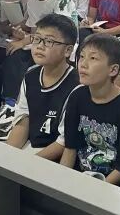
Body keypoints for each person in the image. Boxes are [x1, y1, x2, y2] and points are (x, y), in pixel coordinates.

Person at [0, 0, 77, 129]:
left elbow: (58, 33)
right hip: (40, 45)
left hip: (60, 48)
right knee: (13, 55)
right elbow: (34, 31)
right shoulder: (32, 2)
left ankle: (17, 110)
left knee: (20, 52)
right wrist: (20, 34)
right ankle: (10, 105)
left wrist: (23, 42)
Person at [60, 35, 120, 185]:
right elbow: (70, 149)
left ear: (113, 70)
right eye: (82, 56)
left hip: (110, 184)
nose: (83, 64)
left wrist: (96, 187)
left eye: (93, 58)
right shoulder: (77, 97)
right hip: (79, 177)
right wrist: (62, 183)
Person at [6, 15, 78, 150]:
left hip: (58, 154)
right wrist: (8, 154)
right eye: (37, 39)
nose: (40, 46)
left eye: (49, 41)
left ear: (68, 50)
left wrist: (32, 160)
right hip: (31, 148)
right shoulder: (30, 76)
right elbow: (23, 122)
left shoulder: (77, 85)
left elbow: (65, 143)